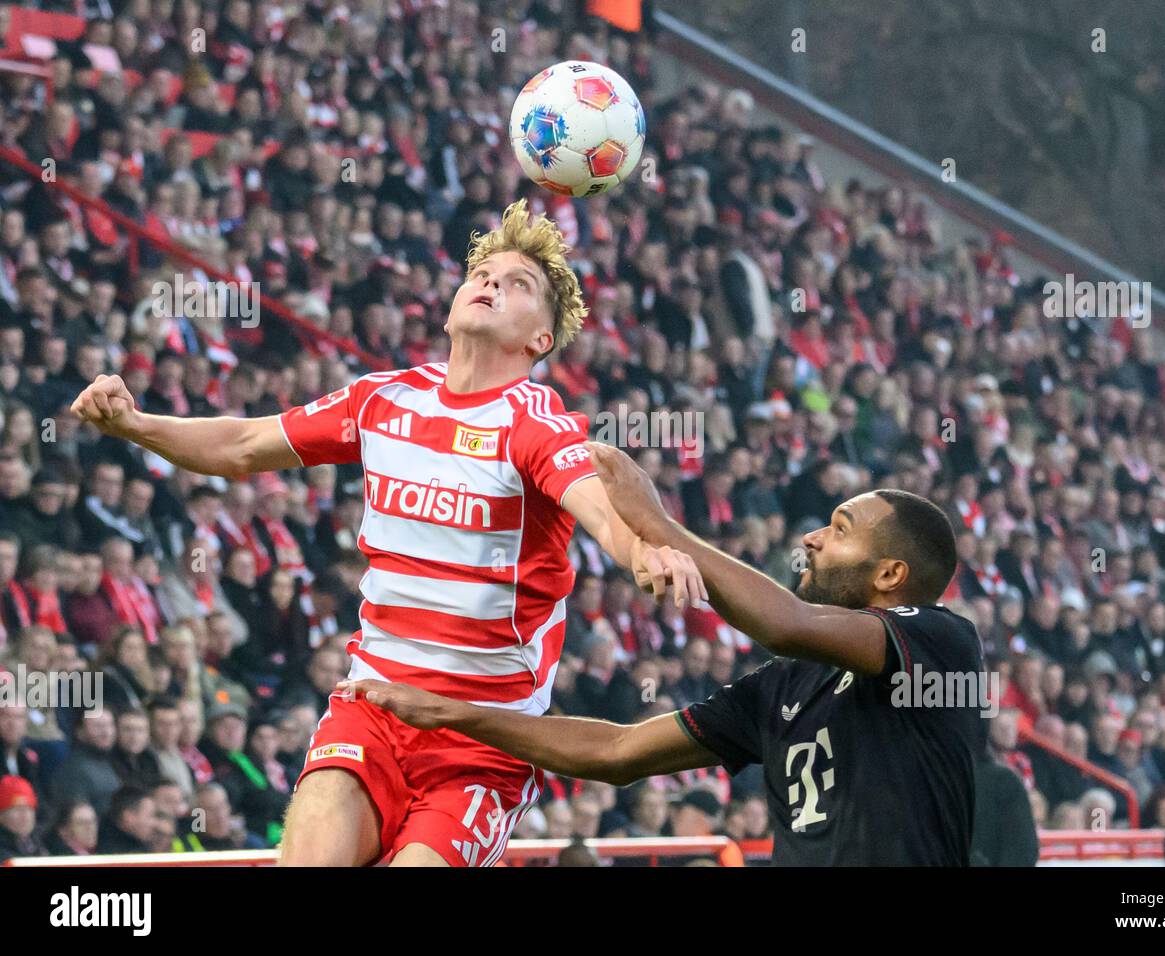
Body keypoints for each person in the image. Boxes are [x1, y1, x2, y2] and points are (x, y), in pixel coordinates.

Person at [71, 200, 705, 867]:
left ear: (539, 340)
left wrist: (642, 552)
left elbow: (597, 504)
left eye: (518, 284)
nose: (490, 283)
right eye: (483, 272)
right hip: (369, 708)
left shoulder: (537, 424)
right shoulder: (384, 400)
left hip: (482, 742)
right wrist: (137, 425)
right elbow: (245, 443)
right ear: (452, 301)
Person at [345, 444, 987, 865]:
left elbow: (784, 623)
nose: (814, 538)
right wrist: (453, 711)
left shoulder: (940, 641)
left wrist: (656, 523)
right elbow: (616, 753)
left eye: (841, 529)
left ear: (890, 574)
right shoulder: (780, 687)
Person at [0, 774, 44, 862]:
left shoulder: (38, 844)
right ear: (1, 815)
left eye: (29, 809)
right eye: (17, 810)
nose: (25, 816)